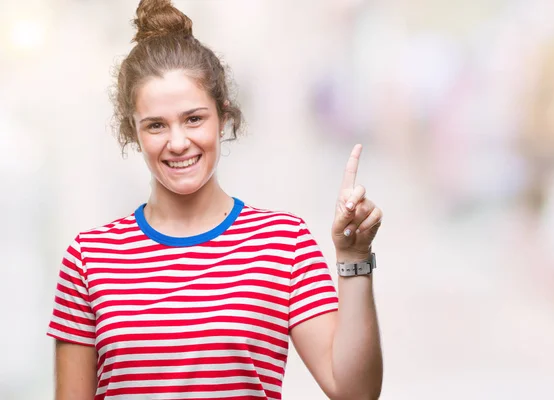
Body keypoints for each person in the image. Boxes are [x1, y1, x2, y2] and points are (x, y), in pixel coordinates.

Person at [47, 1, 383, 399]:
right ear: (132, 132)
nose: (177, 142)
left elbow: (355, 392)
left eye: (193, 119)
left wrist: (354, 257)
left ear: (223, 117)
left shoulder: (283, 242)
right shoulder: (90, 257)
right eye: (156, 125)